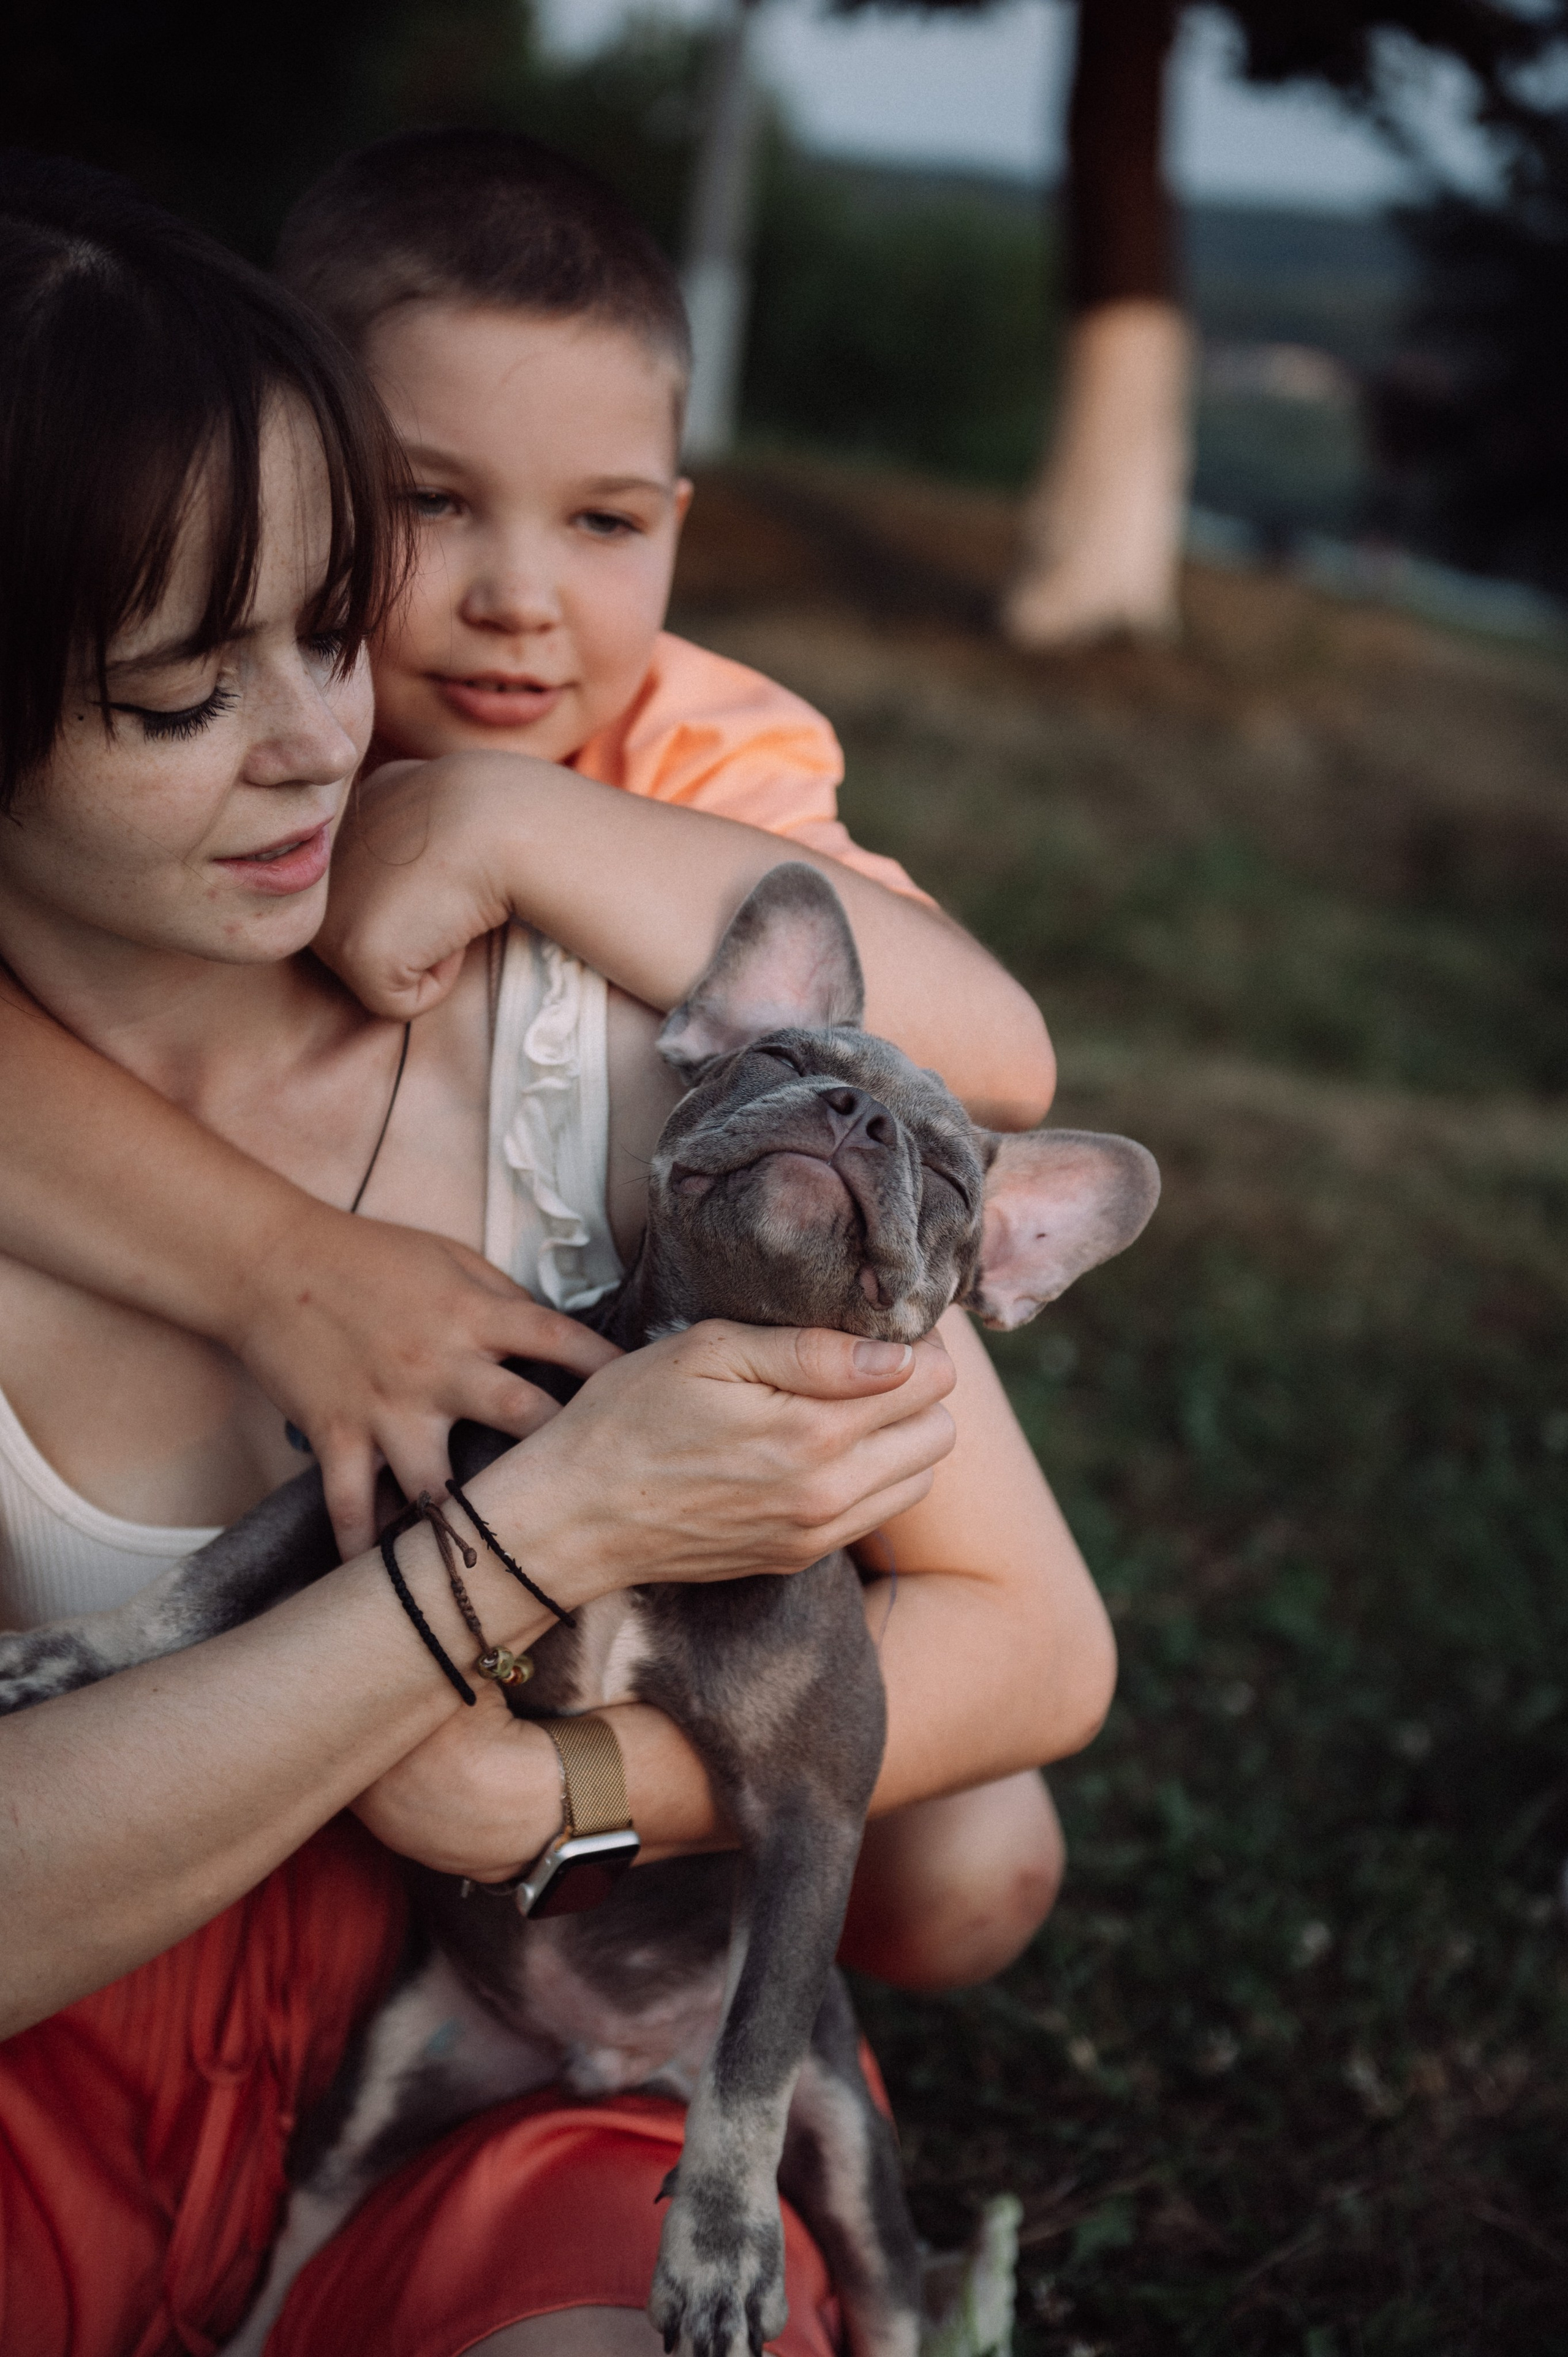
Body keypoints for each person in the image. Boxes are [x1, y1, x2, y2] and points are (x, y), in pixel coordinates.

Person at [0, 160, 1114, 2356]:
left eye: (332, 625)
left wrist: (576, 1784)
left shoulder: (625, 981)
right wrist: (521, 1519)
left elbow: (990, 1057)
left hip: (539, 1996)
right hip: (77, 2009)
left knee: (957, 1860)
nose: (334, 741)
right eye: (175, 694)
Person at [0, 126, 1055, 1563]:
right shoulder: (213, 709)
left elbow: (996, 1056)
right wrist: (275, 1262)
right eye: (429, 501)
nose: (518, 597)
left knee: (972, 1782)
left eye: (602, 520)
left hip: (803, 1505)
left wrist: (505, 820)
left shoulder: (698, 753)